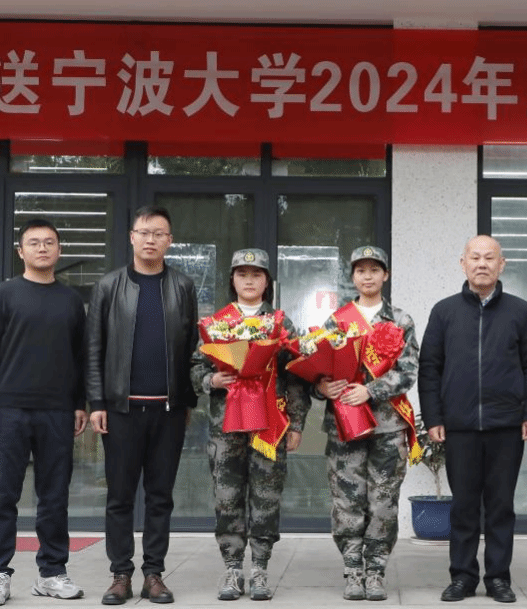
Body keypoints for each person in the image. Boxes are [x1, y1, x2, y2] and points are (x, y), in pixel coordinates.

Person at [419, 235, 527, 604]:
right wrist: (433, 416)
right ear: (463, 264)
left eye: (490, 258)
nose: (482, 264)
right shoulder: (444, 311)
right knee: (463, 507)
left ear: (501, 264)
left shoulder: (519, 311)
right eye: (474, 257)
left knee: (500, 507)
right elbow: (430, 368)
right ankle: (462, 577)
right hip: (458, 426)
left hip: (506, 425)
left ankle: (498, 578)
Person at [86, 206, 199, 605]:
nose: (151, 239)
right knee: (119, 496)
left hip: (168, 411)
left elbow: (192, 348)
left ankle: (154, 573)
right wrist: (97, 401)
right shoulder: (108, 286)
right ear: (131, 237)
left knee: (160, 496)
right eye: (144, 232)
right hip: (121, 409)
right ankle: (120, 574)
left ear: (170, 241)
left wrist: (187, 399)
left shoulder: (183, 286)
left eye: (159, 233)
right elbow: (94, 348)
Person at [0, 218, 88, 607]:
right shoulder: (3, 295)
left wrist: (79, 403)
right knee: (1, 495)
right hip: (8, 410)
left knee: (54, 497)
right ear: (21, 251)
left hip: (57, 411)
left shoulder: (71, 301)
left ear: (59, 250)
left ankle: (52, 573)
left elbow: (79, 357)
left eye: (49, 242)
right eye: (34, 242)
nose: (42, 248)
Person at [191, 248, 310, 602]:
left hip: (269, 425)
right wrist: (212, 380)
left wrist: (296, 424)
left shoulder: (281, 324)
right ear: (232, 279)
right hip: (226, 427)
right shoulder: (216, 324)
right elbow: (195, 368)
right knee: (227, 497)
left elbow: (297, 377)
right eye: (242, 274)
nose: (249, 280)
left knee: (266, 497)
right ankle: (232, 568)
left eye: (256, 274)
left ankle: (259, 568)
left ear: (266, 281)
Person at [312, 246, 419, 601]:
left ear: (385, 275)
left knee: (383, 500)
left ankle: (375, 571)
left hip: (387, 427)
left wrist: (370, 391)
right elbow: (318, 370)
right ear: (353, 276)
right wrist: (321, 387)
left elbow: (408, 371)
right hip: (345, 426)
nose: (368, 276)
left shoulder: (400, 321)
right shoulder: (337, 321)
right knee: (347, 500)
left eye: (375, 269)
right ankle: (352, 570)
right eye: (361, 270)